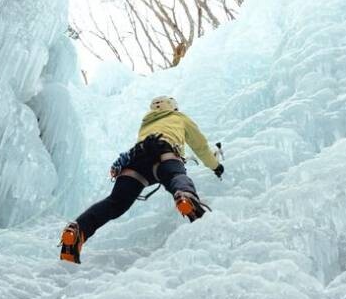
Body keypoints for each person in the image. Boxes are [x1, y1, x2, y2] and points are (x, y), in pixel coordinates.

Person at [59, 96, 225, 263]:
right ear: (173, 107)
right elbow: (200, 147)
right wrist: (216, 166)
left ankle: (77, 230)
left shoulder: (147, 121)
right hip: (164, 152)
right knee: (175, 177)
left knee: (114, 203)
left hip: (135, 161)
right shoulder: (179, 117)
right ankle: (185, 196)